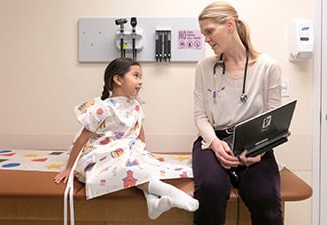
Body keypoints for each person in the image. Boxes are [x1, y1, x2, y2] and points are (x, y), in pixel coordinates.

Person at [54, 57, 198, 220]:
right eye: (136, 76)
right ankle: (171, 193)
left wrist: (140, 152)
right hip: (101, 153)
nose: (141, 82)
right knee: (126, 167)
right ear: (118, 79)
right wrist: (69, 168)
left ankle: (153, 204)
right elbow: (82, 139)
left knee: (144, 167)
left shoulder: (135, 105)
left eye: (141, 77)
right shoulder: (103, 108)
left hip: (128, 150)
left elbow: (139, 132)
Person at [192, 1, 283, 225]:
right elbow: (200, 116)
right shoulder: (205, 67)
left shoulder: (267, 66)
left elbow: (274, 117)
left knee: (267, 199)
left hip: (255, 142)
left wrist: (260, 149)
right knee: (211, 190)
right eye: (204, 33)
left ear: (230, 24)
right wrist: (214, 142)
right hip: (213, 140)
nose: (206, 39)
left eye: (209, 31)